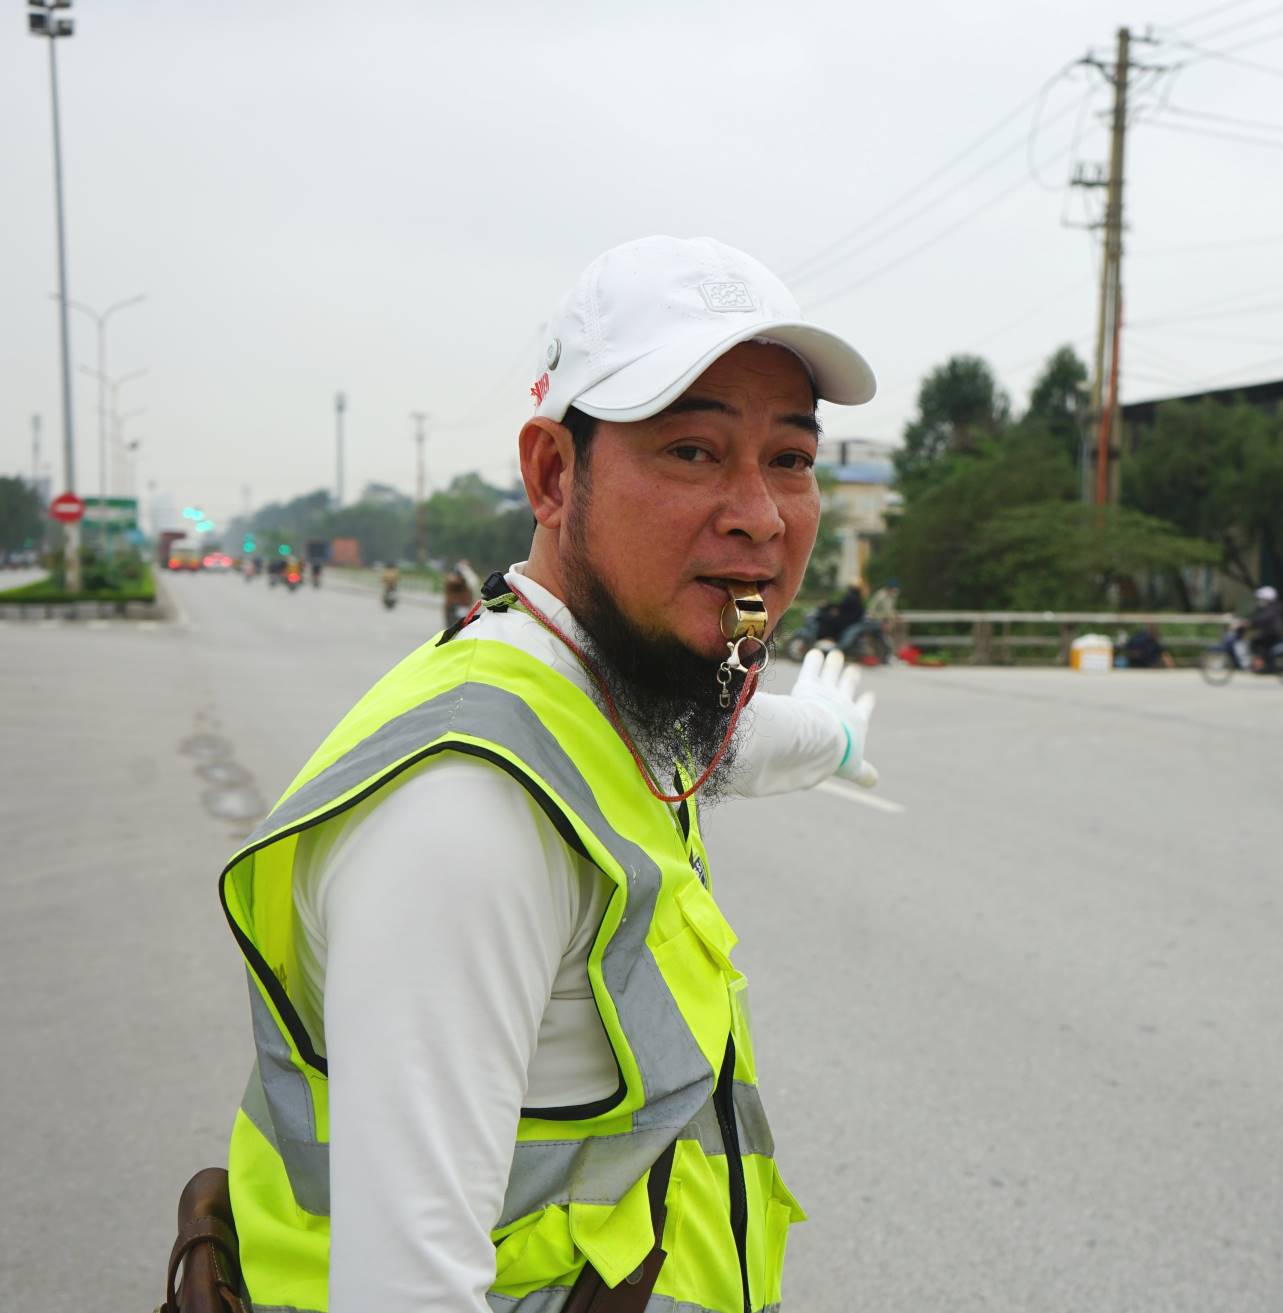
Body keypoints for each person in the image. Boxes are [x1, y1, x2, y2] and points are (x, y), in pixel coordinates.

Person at [212, 236, 881, 1313]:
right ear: (553, 473)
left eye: (791, 460)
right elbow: (407, 1290)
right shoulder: (466, 818)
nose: (759, 512)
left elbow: (723, 748)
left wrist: (836, 738)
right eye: (693, 452)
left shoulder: (600, 686)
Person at [1248, 584, 1283, 668]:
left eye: (1261, 599)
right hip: (1270, 633)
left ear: (1267, 599)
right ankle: (1266, 663)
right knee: (1258, 642)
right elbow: (1258, 617)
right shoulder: (1270, 607)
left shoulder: (1272, 608)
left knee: (1256, 643)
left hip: (1273, 634)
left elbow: (1263, 618)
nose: (1260, 601)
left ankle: (1266, 664)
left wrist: (1252, 622)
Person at [441, 559, 477, 629]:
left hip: (463, 605)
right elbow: (452, 582)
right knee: (451, 626)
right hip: (452, 606)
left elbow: (472, 591)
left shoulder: (468, 581)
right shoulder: (453, 579)